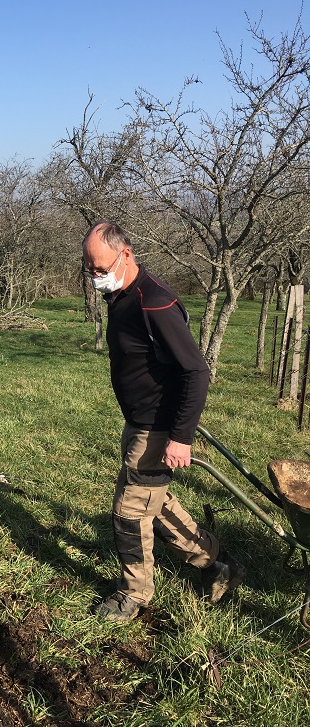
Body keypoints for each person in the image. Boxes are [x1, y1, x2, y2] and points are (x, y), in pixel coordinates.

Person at [82, 221, 245, 623]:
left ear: (126, 254)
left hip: (156, 427)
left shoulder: (154, 303)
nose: (96, 278)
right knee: (154, 501)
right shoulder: (123, 295)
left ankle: (133, 594)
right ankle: (216, 562)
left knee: (130, 512)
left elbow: (196, 372)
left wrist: (181, 438)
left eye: (101, 269)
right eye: (91, 270)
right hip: (139, 422)